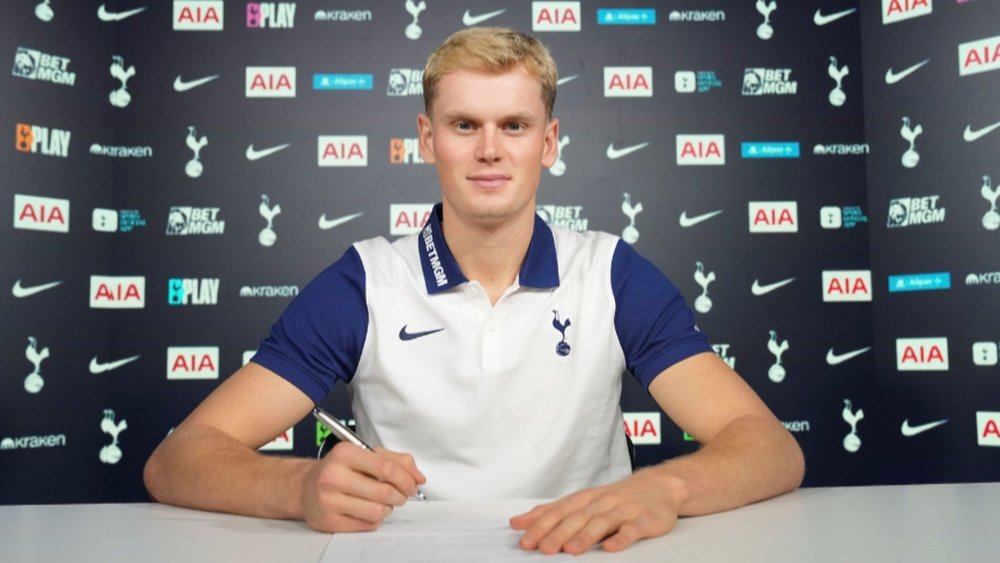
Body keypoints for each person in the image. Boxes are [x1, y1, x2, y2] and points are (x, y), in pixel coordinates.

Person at [144, 26, 804, 555]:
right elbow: (177, 461)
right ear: (427, 139)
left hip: (581, 553)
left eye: (514, 126)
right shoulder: (365, 280)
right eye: (464, 125)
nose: (490, 149)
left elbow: (770, 447)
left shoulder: (609, 272)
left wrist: (665, 488)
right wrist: (299, 486)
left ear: (548, 142)